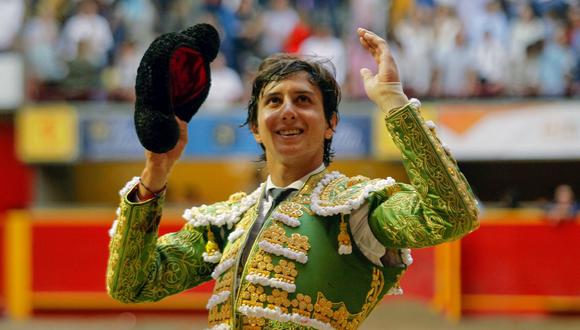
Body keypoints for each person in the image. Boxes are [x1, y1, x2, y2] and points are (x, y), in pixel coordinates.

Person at [107, 28, 479, 329]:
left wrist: (396, 105)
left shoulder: (355, 210)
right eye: (273, 101)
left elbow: (452, 215)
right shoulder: (230, 222)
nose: (287, 112)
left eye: (303, 100)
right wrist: (157, 170)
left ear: (331, 123)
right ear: (255, 127)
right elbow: (132, 285)